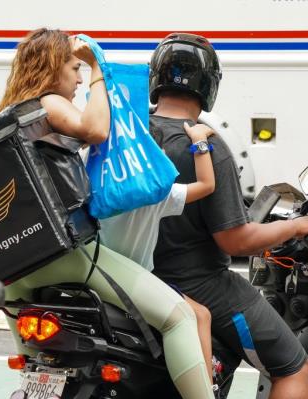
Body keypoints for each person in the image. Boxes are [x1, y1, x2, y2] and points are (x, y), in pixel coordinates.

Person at [0, 28, 215, 398]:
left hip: (14, 270)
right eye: (72, 68)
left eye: (82, 70)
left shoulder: (7, 115)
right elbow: (95, 129)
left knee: (38, 359)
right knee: (180, 317)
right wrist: (99, 68)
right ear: (52, 69)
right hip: (59, 256)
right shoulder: (47, 102)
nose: (78, 77)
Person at [149, 33, 308, 399]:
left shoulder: (130, 134)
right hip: (199, 283)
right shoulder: (206, 147)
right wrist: (293, 225)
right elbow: (236, 240)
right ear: (208, 85)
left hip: (139, 281)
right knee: (293, 365)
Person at [99, 121, 217, 386]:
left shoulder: (96, 189)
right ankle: (204, 388)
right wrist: (199, 140)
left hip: (90, 279)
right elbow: (207, 185)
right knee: (199, 315)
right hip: (134, 284)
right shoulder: (156, 195)